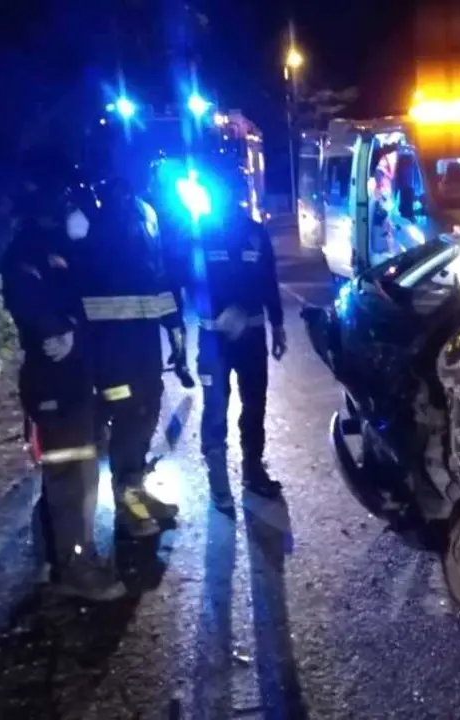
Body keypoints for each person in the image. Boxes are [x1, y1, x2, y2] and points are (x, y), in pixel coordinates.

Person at [3, 149, 125, 601]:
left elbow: (86, 296)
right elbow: (29, 301)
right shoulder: (29, 252)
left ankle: (55, 558)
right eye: (67, 200)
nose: (74, 207)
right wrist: (62, 330)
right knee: (70, 476)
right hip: (55, 381)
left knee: (73, 473)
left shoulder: (64, 249)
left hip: (75, 379)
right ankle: (74, 567)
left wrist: (73, 328)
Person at [78, 171, 192, 538]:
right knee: (127, 418)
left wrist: (174, 326)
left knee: (145, 409)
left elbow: (160, 275)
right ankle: (129, 507)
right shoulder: (86, 217)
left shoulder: (145, 213)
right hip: (108, 347)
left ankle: (137, 492)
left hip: (142, 344)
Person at [184, 161, 287, 511]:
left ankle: (252, 469)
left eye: (236, 191)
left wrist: (278, 325)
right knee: (215, 407)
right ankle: (217, 476)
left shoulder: (255, 233)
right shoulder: (199, 233)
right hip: (215, 339)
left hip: (253, 336)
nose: (233, 198)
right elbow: (189, 280)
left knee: (254, 405)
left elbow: (268, 281)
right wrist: (219, 310)